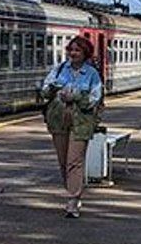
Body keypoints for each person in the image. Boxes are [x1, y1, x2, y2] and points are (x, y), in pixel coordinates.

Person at [39, 36, 103, 218]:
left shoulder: (92, 74)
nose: (73, 53)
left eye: (77, 50)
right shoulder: (58, 70)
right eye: (71, 50)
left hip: (81, 123)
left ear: (85, 54)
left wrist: (75, 97)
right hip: (58, 120)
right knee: (63, 161)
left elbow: (94, 99)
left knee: (74, 161)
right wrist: (51, 89)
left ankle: (73, 200)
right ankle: (73, 191)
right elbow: (44, 92)